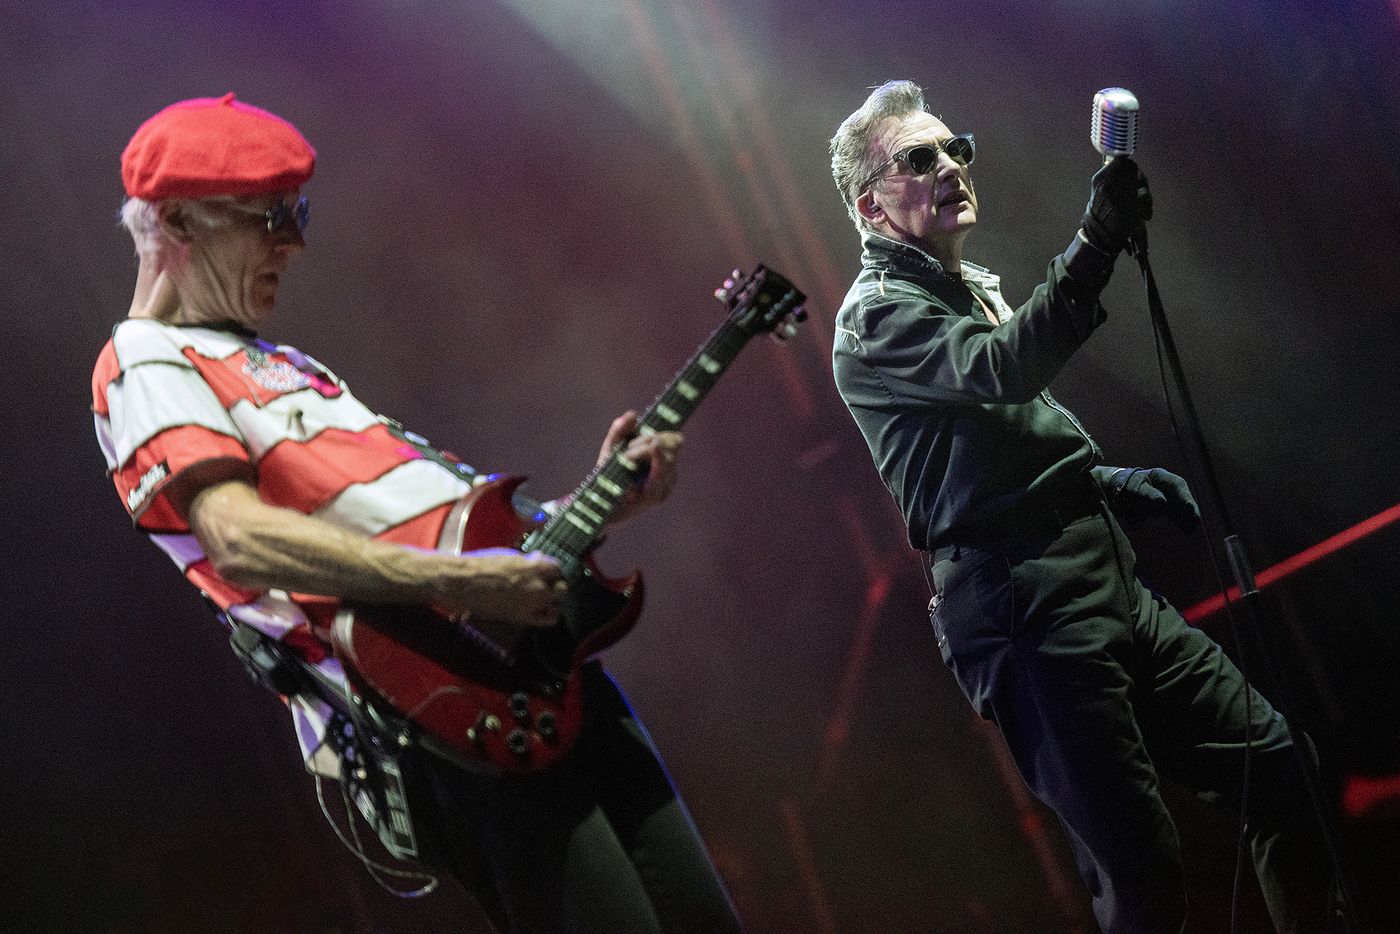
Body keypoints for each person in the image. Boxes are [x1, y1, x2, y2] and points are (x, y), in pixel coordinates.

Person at [93, 93, 740, 934]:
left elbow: (435, 523)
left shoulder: (284, 362)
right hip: (440, 707)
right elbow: (238, 539)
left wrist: (601, 501)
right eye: (270, 217)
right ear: (179, 223)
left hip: (528, 668)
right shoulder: (142, 362)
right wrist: (466, 580)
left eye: (300, 213)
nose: (295, 241)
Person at [829, 81, 1334, 933]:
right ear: (872, 205)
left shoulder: (961, 285)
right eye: (921, 159)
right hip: (1022, 609)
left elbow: (1005, 443)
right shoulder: (878, 317)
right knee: (1143, 878)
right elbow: (1004, 369)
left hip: (1100, 581)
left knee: (1285, 773)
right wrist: (1097, 240)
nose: (951, 165)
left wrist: (1112, 484)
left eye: (957, 148)